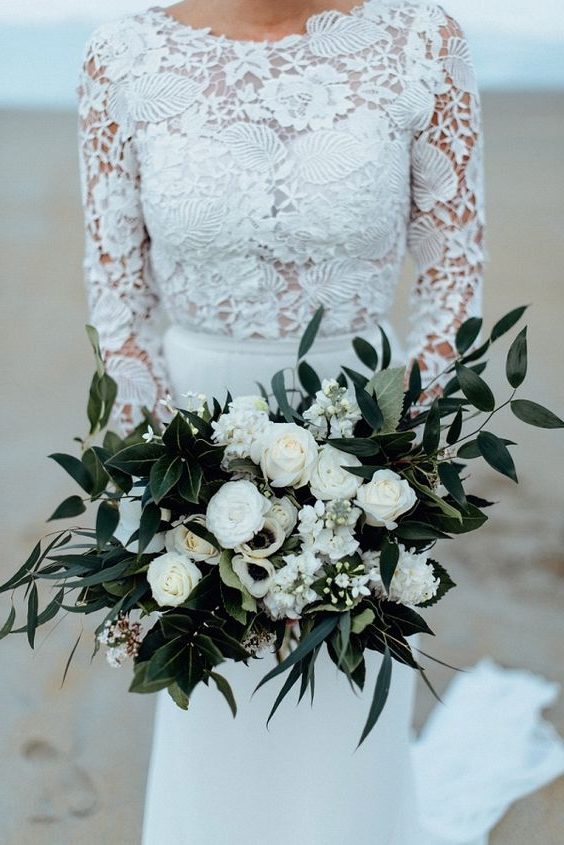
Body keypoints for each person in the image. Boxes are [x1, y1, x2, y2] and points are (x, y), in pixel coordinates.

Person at [76, 2, 564, 843]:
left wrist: (405, 461)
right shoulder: (124, 55)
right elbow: (117, 299)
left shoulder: (422, 43)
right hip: (191, 441)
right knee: (212, 682)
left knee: (339, 695)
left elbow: (453, 272)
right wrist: (165, 481)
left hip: (359, 440)